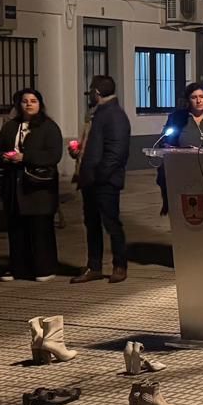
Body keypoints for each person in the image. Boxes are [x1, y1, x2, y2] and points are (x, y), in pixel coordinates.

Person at [0, 88, 64, 282]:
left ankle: (44, 267)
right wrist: (5, 157)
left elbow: (54, 155)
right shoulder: (10, 126)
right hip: (14, 185)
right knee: (17, 230)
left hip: (38, 186)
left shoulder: (49, 127)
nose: (29, 104)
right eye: (25, 101)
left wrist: (26, 157)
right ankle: (18, 268)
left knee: (40, 229)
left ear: (40, 104)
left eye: (33, 100)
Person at [70, 74, 130, 283]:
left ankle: (120, 265)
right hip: (91, 180)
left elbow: (117, 151)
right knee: (92, 224)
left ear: (96, 93)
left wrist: (100, 175)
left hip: (104, 181)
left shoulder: (114, 115)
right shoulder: (99, 114)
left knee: (111, 224)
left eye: (91, 92)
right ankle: (93, 266)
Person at [156, 81, 203, 216]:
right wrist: (167, 146)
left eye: (201, 97)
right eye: (194, 97)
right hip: (182, 168)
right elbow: (165, 141)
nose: (198, 101)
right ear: (188, 100)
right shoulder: (177, 118)